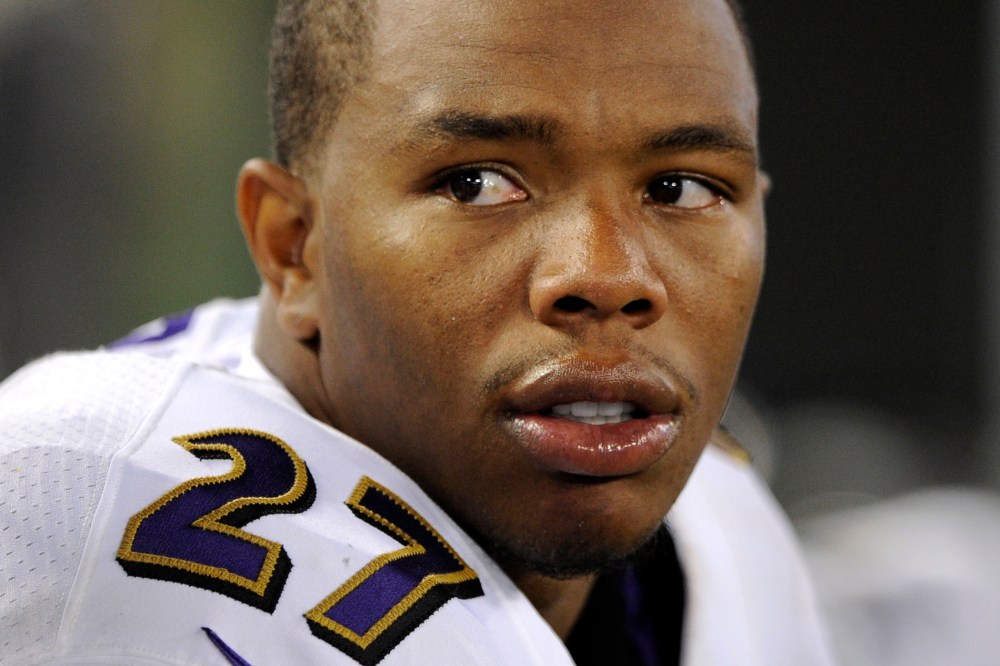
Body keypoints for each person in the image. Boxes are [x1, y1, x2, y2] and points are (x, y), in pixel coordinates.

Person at [0, 0, 833, 664]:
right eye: (477, 183)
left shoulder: (725, 522)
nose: (607, 277)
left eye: (683, 189)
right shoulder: (73, 495)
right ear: (294, 247)